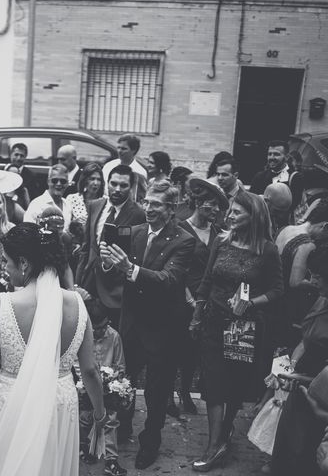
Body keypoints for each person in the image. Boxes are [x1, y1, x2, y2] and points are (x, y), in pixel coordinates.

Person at [0, 223, 106, 475]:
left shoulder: (1, 304)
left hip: (10, 402)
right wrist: (100, 416)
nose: (5, 266)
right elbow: (90, 371)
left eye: (6, 260)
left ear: (24, 263)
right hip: (59, 404)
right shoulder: (78, 303)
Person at [100, 179, 195, 469]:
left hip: (163, 329)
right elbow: (117, 276)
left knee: (156, 391)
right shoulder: (136, 232)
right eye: (146, 202)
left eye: (155, 204)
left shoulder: (184, 240)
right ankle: (125, 427)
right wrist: (108, 263)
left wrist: (129, 268)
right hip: (131, 323)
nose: (148, 208)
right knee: (123, 383)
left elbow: (169, 280)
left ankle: (151, 441)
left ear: (172, 207)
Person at [191, 191, 283, 472]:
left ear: (252, 216)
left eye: (235, 213)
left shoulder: (267, 249)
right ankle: (214, 444)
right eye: (230, 211)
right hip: (212, 322)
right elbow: (206, 281)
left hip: (243, 327)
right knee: (213, 382)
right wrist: (196, 315)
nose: (228, 216)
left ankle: (225, 431)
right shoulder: (222, 240)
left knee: (233, 384)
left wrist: (251, 302)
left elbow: (278, 290)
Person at [168, 177, 227, 418]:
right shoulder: (180, 227)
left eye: (217, 206)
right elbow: (175, 268)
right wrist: (191, 300)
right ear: (198, 202)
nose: (215, 210)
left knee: (194, 351)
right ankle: (167, 395)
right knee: (175, 348)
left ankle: (184, 392)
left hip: (207, 301)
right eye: (210, 204)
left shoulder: (218, 232)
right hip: (181, 297)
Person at [271, 244, 328, 476]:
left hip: (320, 392)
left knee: (307, 453)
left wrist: (301, 378)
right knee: (288, 448)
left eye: (318, 277)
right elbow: (305, 341)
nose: (312, 281)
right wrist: (289, 368)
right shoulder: (321, 300)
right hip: (302, 384)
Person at [76, 165, 145, 331]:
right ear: (107, 183)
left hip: (114, 291)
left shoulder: (138, 214)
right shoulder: (95, 205)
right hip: (88, 283)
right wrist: (78, 282)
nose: (117, 189)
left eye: (123, 185)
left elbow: (136, 256)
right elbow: (86, 248)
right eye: (113, 184)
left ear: (131, 187)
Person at [76, 302, 127, 476]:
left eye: (104, 326)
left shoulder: (114, 337)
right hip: (85, 386)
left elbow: (120, 366)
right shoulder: (82, 337)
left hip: (108, 387)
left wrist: (112, 381)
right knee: (84, 418)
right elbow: (76, 364)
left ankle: (111, 460)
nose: (100, 332)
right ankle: (86, 447)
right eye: (96, 329)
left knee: (109, 418)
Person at [275, 199, 328, 347]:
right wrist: (319, 283)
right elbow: (295, 282)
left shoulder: (287, 228)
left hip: (274, 294)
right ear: (325, 226)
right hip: (287, 304)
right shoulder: (307, 244)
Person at [24, 164, 72, 231]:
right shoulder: (37, 204)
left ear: (67, 183)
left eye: (63, 181)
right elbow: (27, 231)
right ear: (48, 181)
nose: (58, 184)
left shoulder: (68, 204)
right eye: (54, 180)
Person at [101, 134, 148, 201]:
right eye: (118, 148)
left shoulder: (140, 172)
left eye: (124, 149)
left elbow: (138, 197)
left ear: (133, 150)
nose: (119, 151)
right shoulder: (109, 166)